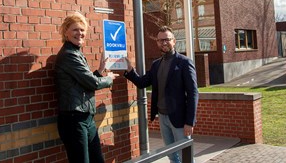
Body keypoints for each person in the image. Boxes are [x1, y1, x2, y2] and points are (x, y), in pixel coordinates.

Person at [124, 26, 199, 163]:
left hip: (180, 120)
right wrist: (130, 70)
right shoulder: (156, 64)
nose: (164, 43)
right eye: (160, 40)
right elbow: (142, 83)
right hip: (163, 117)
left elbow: (193, 93)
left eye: (167, 39)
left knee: (185, 156)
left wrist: (190, 121)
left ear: (174, 41)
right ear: (157, 42)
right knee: (171, 155)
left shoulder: (184, 62)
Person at [55, 12, 119, 163]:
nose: (80, 33)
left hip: (86, 118)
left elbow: (83, 82)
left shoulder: (76, 53)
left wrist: (100, 70)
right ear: (66, 32)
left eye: (82, 30)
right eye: (75, 29)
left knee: (97, 160)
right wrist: (108, 79)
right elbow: (93, 83)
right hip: (73, 120)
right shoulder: (69, 54)